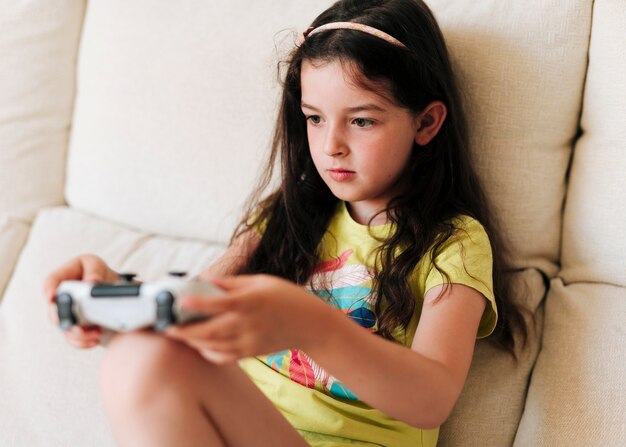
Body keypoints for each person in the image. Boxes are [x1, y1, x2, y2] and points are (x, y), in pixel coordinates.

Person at [44, 0, 528, 445]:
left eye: (362, 121)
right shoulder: (288, 214)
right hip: (238, 427)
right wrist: (114, 297)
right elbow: (191, 308)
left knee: (147, 359)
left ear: (426, 123)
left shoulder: (454, 242)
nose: (331, 144)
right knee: (138, 352)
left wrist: (311, 325)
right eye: (315, 118)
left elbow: (432, 399)